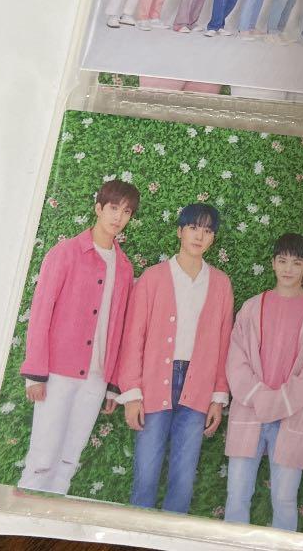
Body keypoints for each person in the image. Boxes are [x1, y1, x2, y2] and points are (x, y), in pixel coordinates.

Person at [18, 180, 138, 495]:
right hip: (58, 372)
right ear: (98, 208)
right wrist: (35, 373)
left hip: (96, 377)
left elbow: (120, 329)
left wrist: (113, 383)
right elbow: (41, 311)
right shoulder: (66, 253)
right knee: (42, 458)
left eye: (126, 212)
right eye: (113, 208)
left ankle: (49, 516)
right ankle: (22, 513)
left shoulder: (124, 268)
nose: (119, 217)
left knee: (69, 460)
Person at [116, 203, 233, 513]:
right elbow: (134, 337)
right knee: (146, 474)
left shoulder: (221, 283)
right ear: (180, 231)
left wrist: (218, 397)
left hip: (198, 387)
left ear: (213, 238)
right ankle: (136, 534)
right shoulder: (153, 278)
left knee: (183, 479)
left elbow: (224, 343)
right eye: (193, 228)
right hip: (155, 383)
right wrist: (132, 394)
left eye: (207, 231)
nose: (200, 236)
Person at [224, 234, 303, 531]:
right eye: (282, 261)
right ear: (273, 263)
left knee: (284, 499)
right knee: (237, 495)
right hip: (250, 410)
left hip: (293, 414)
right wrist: (260, 397)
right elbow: (236, 361)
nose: (288, 268)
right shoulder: (252, 307)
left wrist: (281, 401)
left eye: (296, 263)